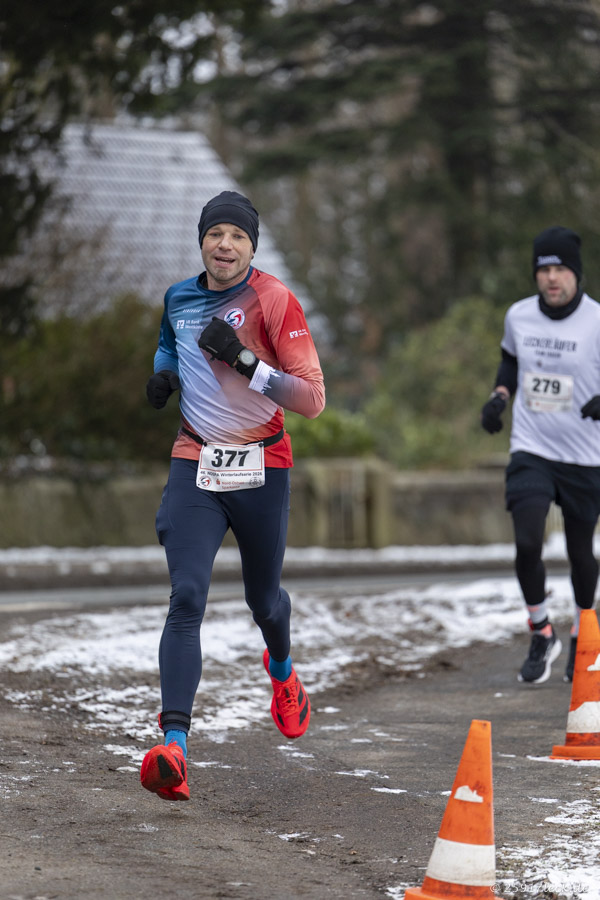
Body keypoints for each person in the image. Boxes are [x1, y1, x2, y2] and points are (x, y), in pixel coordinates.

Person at [140, 191, 325, 801]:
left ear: (252, 247)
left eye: (238, 236)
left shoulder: (274, 300)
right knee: (187, 596)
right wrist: (165, 374)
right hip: (195, 461)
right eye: (215, 233)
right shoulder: (178, 297)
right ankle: (174, 746)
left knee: (263, 600)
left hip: (261, 466)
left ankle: (283, 671)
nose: (225, 245)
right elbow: (170, 341)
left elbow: (311, 399)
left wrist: (246, 362)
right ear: (202, 241)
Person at [481, 226, 600, 685]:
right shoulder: (519, 315)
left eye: (560, 269)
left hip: (585, 456)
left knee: (580, 553)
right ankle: (542, 630)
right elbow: (511, 361)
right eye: (544, 270)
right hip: (532, 448)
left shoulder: (595, 320)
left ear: (576, 273)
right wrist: (499, 396)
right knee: (528, 541)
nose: (551, 278)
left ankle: (583, 634)